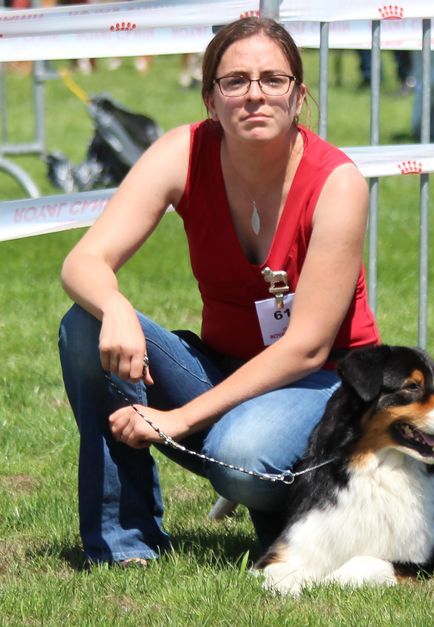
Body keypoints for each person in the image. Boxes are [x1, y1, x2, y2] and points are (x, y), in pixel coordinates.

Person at [58, 17, 380, 566]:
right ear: (210, 99)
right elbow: (83, 261)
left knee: (242, 454)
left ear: (298, 96)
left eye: (273, 80)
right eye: (235, 81)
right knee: (84, 326)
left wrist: (179, 419)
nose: (255, 94)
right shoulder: (181, 153)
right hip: (225, 368)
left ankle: (301, 507)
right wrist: (114, 306)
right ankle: (125, 545)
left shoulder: (338, 182)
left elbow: (307, 348)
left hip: (325, 381)